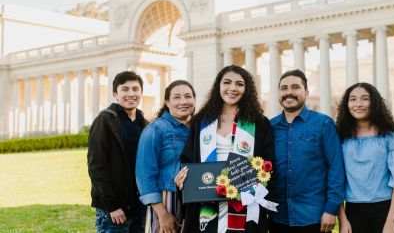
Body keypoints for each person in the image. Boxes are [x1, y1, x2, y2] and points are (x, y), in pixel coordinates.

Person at [176, 65, 274, 233]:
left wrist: (244, 185)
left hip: (244, 204)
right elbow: (188, 160)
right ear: (218, 87)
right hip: (205, 205)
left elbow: (267, 164)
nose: (232, 88)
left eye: (239, 84)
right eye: (227, 82)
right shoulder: (202, 122)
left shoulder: (259, 123)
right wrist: (183, 178)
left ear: (247, 89)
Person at [268, 69, 345, 233]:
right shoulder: (269, 127)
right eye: (284, 88)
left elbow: (336, 168)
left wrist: (331, 209)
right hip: (277, 217)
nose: (289, 92)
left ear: (307, 92)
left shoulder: (323, 124)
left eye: (295, 87)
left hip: (314, 217)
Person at [336, 82, 394, 233]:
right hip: (352, 211)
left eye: (365, 98)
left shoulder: (390, 135)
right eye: (352, 99)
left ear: (374, 102)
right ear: (346, 104)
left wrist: (391, 222)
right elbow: (334, 180)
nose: (358, 104)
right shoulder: (340, 136)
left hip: (385, 210)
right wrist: (342, 219)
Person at [87, 71, 148, 232]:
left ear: (141, 93)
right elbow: (96, 166)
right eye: (125, 89)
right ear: (115, 94)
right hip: (113, 210)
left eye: (135, 89)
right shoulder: (105, 120)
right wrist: (112, 206)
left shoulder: (144, 124)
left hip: (139, 207)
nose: (131, 94)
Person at [136, 80, 196, 233]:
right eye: (177, 97)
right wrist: (162, 214)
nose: (183, 102)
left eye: (188, 96)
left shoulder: (200, 129)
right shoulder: (155, 129)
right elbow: (144, 175)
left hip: (195, 198)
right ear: (167, 102)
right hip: (166, 199)